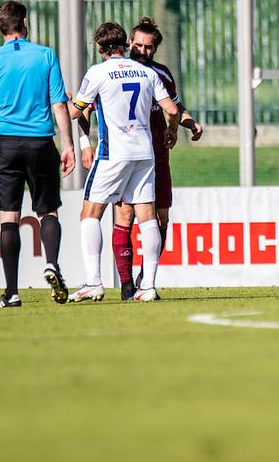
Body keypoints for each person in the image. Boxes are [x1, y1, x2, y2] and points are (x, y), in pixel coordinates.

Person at [73, 17, 202, 302]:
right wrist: (85, 144)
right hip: (143, 153)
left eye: (149, 47)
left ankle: (119, 281)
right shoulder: (143, 75)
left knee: (154, 217)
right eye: (138, 45)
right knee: (129, 215)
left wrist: (187, 123)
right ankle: (129, 284)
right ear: (128, 43)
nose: (143, 51)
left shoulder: (149, 73)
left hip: (140, 154)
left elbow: (175, 107)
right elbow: (170, 110)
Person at [0, 0, 75, 308]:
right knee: (48, 211)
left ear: (0, 27)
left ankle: (12, 292)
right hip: (41, 143)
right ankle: (52, 263)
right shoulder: (45, 55)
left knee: (9, 218)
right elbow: (59, 105)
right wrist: (67, 144)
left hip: (7, 145)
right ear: (24, 23)